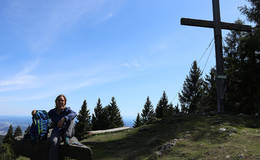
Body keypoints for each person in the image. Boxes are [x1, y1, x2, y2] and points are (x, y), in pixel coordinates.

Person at [32, 94, 77, 160]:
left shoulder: (67, 110)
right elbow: (44, 115)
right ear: (56, 102)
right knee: (53, 142)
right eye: (59, 100)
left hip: (68, 130)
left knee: (71, 119)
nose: (60, 102)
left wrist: (64, 118)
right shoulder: (52, 112)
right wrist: (36, 112)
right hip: (57, 131)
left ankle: (66, 136)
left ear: (65, 102)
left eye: (62, 100)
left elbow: (74, 114)